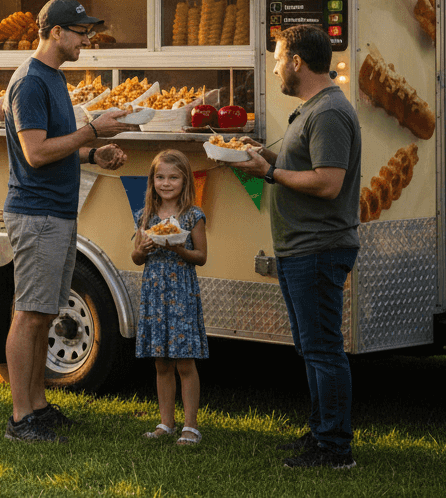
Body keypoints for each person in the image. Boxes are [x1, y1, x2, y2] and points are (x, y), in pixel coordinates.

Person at [2, 0, 133, 443]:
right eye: (80, 31)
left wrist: (93, 153)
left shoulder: (53, 79)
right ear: (55, 32)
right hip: (37, 213)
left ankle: (38, 405)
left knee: (43, 313)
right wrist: (93, 131)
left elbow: (56, 146)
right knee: (28, 315)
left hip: (56, 212)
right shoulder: (30, 82)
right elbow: (35, 153)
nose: (86, 39)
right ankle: (21, 419)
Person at [232, 24, 362, 469]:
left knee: (324, 347)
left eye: (277, 58)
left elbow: (328, 182)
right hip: (298, 247)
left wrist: (269, 174)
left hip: (319, 247)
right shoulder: (311, 110)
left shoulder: (327, 112)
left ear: (297, 62)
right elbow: (301, 167)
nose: (273, 67)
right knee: (312, 346)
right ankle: (321, 434)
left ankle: (335, 449)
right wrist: (264, 158)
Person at [131, 150, 208, 446]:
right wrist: (143, 249)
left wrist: (179, 249)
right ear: (152, 181)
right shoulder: (146, 216)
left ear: (185, 180)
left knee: (184, 362)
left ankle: (191, 426)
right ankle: (166, 422)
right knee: (161, 362)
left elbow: (201, 257)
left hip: (181, 292)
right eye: (160, 177)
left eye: (173, 177)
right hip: (154, 293)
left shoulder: (193, 215)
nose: (166, 183)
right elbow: (136, 257)